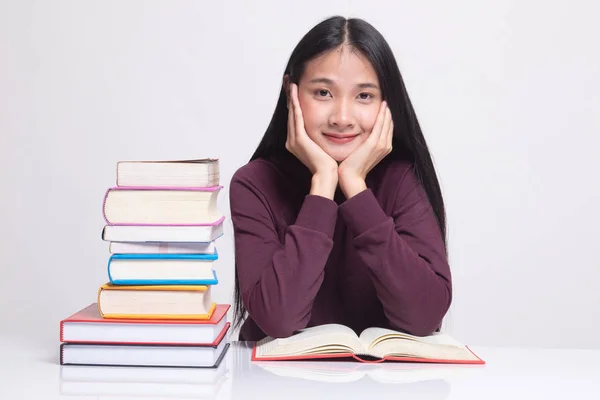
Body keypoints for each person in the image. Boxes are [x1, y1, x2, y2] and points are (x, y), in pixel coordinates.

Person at [229, 15, 451, 341]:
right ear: (290, 92)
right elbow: (278, 318)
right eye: (322, 92)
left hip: (378, 388)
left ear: (387, 104)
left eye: (364, 96)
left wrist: (355, 187)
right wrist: (322, 185)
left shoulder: (400, 178)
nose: (342, 118)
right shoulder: (254, 184)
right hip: (274, 384)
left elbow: (423, 316)